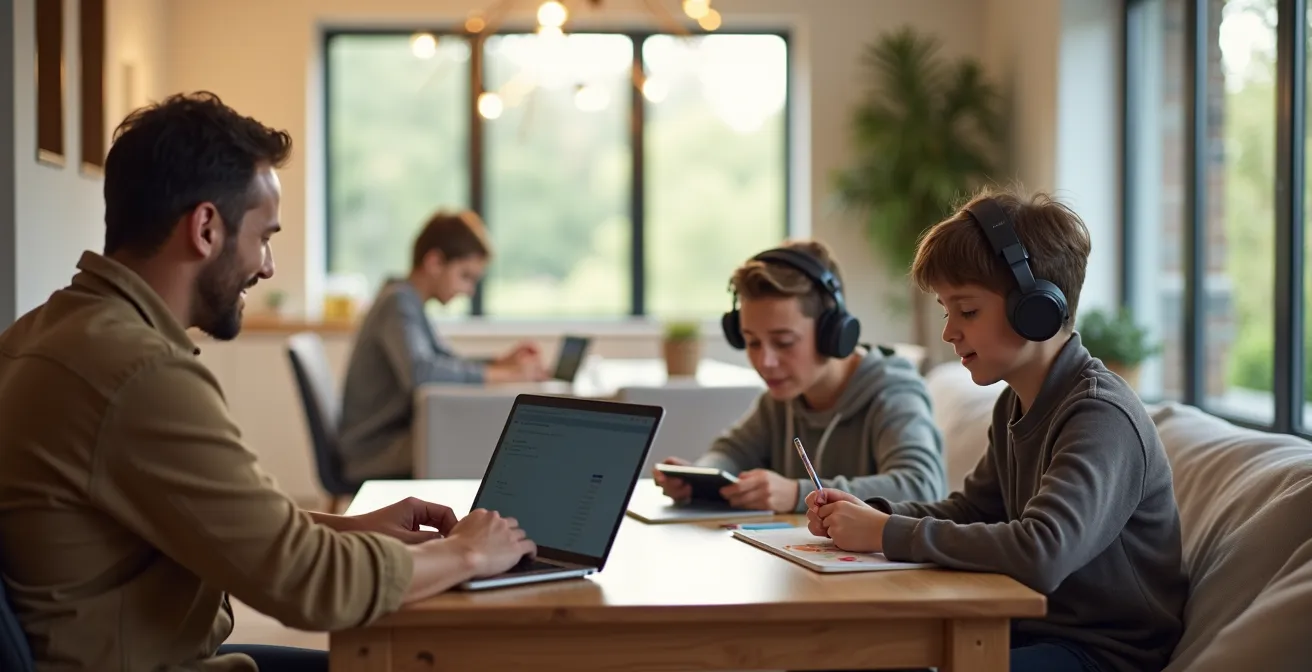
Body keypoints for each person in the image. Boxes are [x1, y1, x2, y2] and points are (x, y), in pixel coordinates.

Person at [0, 92, 537, 672]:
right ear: (206, 227)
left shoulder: (45, 331)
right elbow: (310, 588)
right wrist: (466, 553)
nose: (267, 266)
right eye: (265, 236)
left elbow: (193, 517)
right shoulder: (139, 372)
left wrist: (348, 528)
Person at [806, 189, 1188, 672]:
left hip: (1103, 653)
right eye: (948, 312)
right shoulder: (1016, 401)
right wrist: (871, 514)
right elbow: (974, 510)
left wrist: (886, 533)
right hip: (1022, 629)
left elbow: (1042, 551)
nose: (949, 333)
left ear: (1036, 309)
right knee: (836, 653)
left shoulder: (1098, 415)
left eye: (966, 311)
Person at [652, 240, 946, 514]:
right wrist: (701, 477)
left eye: (783, 342)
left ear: (832, 334)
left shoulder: (893, 391)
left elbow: (921, 486)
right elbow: (730, 452)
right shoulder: (782, 398)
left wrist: (796, 494)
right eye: (752, 342)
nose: (765, 362)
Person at [337, 210, 548, 483]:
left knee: (478, 436)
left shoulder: (407, 301)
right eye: (465, 276)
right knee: (484, 440)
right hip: (373, 452)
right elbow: (422, 373)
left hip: (392, 441)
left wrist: (499, 363)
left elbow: (443, 360)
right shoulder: (398, 303)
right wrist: (508, 375)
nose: (470, 290)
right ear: (435, 262)